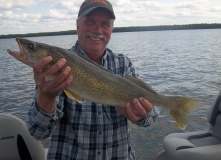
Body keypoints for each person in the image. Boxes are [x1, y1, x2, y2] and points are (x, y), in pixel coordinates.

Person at [25, 0, 160, 159]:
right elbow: (38, 132)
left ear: (111, 29)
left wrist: (142, 116)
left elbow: (151, 117)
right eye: (90, 21)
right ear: (77, 25)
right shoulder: (57, 65)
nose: (98, 30)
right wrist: (46, 95)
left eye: (105, 24)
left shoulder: (123, 64)